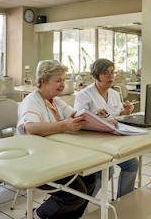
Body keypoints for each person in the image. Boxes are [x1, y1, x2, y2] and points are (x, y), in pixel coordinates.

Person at [16, 59, 96, 219]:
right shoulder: (32, 100)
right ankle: (37, 216)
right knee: (76, 193)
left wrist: (98, 119)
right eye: (58, 80)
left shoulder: (56, 101)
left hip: (54, 156)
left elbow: (76, 116)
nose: (62, 84)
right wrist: (65, 125)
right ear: (43, 81)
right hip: (34, 160)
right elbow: (31, 128)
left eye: (63, 80)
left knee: (91, 177)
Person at [74, 58, 138, 198]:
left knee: (133, 163)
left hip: (113, 140)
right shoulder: (84, 95)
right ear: (96, 75)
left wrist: (125, 112)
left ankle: (125, 200)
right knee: (106, 170)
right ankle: (82, 202)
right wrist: (93, 116)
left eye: (112, 72)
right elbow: (77, 121)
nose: (111, 76)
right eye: (106, 73)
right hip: (92, 143)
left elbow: (117, 116)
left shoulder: (114, 94)